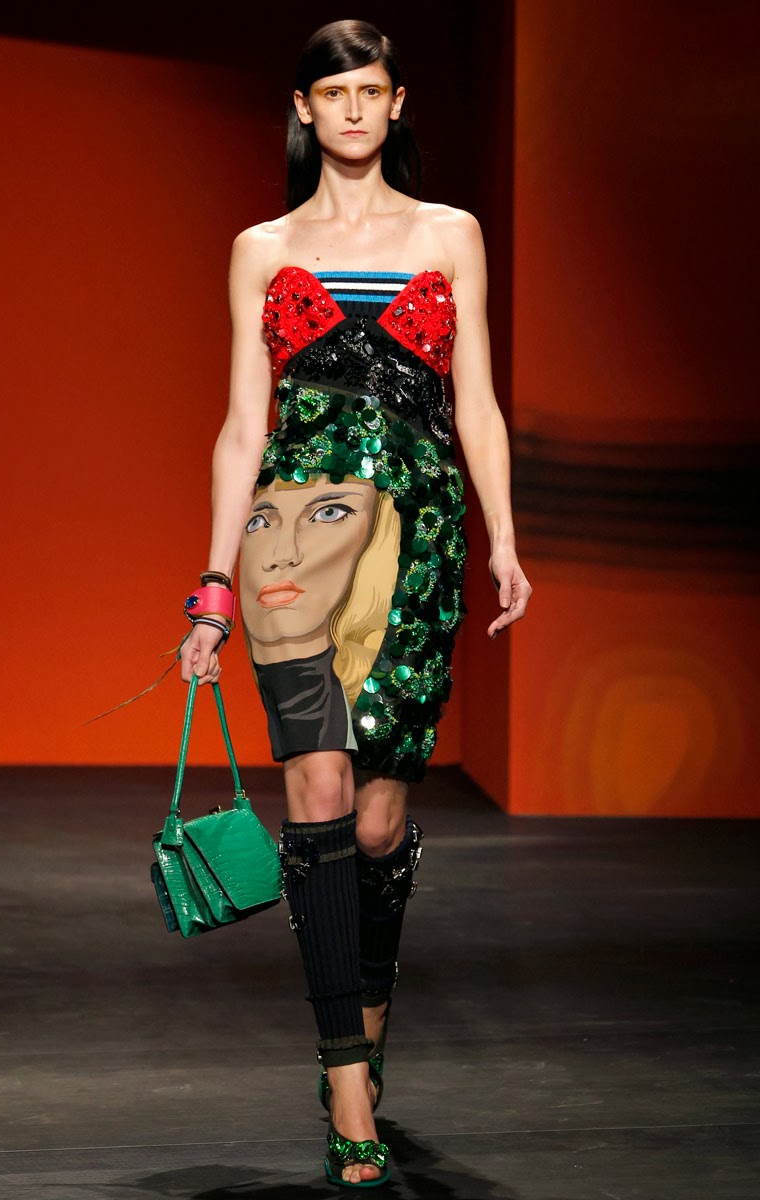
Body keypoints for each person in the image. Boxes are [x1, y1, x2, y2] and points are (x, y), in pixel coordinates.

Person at [180, 18, 531, 1189]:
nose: (350, 111)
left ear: (395, 103)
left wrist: (503, 539)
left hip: (418, 542)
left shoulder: (448, 234)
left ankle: (364, 1025)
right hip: (292, 541)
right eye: (331, 93)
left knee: (376, 824)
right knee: (317, 798)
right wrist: (213, 583)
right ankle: (343, 1082)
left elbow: (475, 403)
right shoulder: (261, 248)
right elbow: (242, 425)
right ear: (302, 108)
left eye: (369, 91)